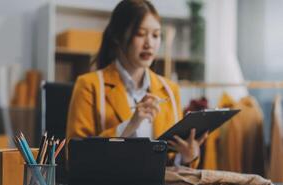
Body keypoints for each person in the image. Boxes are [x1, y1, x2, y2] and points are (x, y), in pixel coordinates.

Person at [66, 0, 207, 166]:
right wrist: (129, 125)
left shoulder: (170, 90)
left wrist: (186, 156)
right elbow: (76, 157)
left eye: (155, 35)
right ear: (118, 37)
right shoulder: (89, 85)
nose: (149, 44)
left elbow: (170, 162)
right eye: (140, 34)